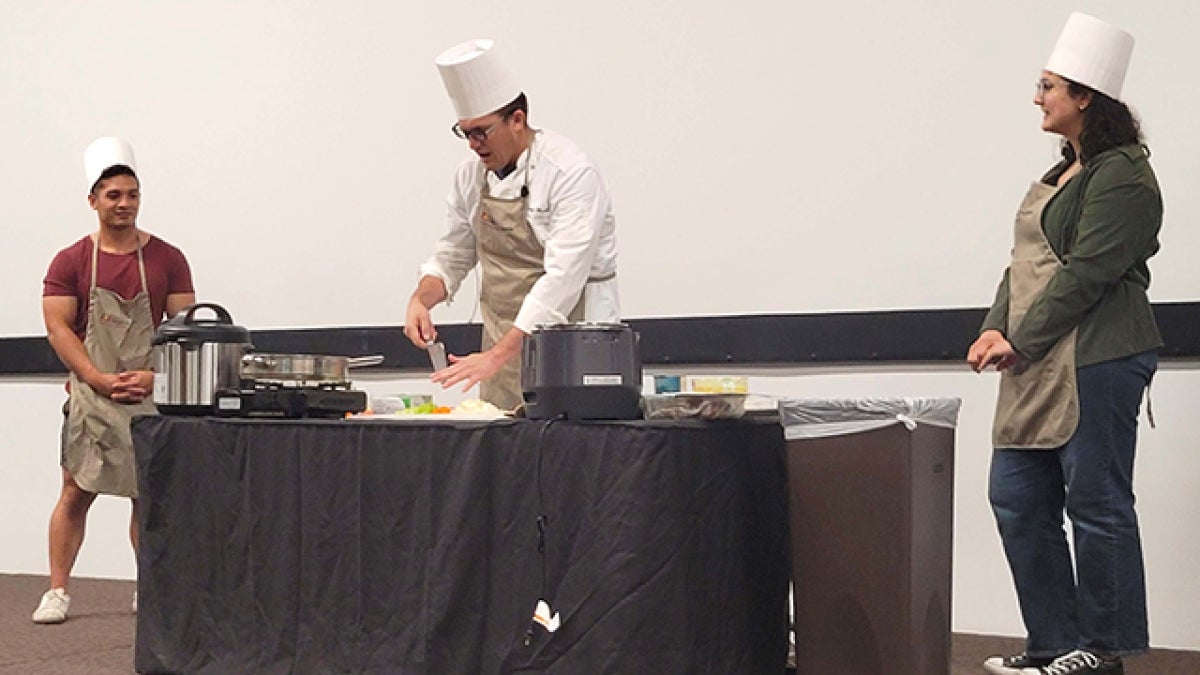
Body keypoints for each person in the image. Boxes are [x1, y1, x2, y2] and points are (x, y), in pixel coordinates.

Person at [966, 13, 1161, 675]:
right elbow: (1020, 268)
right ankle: (1054, 643)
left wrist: (1017, 336)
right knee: (1017, 497)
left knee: (1097, 504)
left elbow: (1087, 273)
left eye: (1048, 85)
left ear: (1084, 97)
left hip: (1099, 357)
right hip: (1037, 355)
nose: (1036, 96)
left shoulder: (1125, 177)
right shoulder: (1061, 175)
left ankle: (1101, 650)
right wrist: (998, 324)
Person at [404, 38, 620, 410]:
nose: (472, 144)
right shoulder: (471, 176)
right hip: (502, 352)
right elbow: (454, 250)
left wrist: (497, 355)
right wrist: (421, 299)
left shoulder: (569, 173)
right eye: (464, 132)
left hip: (575, 347)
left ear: (516, 120)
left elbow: (563, 279)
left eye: (480, 132)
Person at [32, 137, 196, 624]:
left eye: (132, 194)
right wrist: (96, 377)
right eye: (114, 195)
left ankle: (147, 588)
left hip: (150, 393)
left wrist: (152, 374)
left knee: (147, 496)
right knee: (75, 490)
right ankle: (57, 590)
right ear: (93, 200)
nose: (124, 204)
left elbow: (183, 328)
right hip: (90, 395)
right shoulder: (71, 261)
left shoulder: (168, 257)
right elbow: (58, 327)